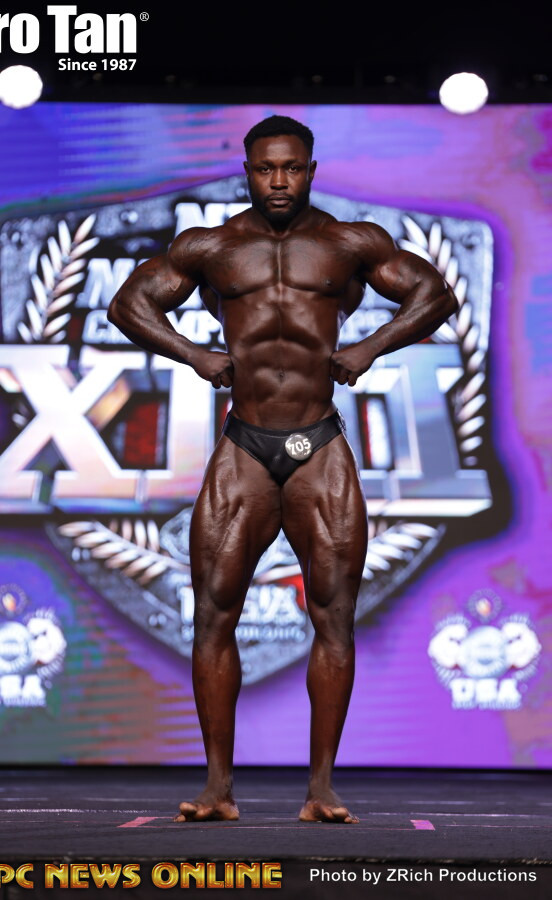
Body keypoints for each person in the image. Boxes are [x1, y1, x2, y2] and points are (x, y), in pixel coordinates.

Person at [108, 115, 458, 823]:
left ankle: (321, 789)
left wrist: (371, 346)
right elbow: (128, 303)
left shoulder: (348, 242)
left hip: (318, 446)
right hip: (244, 447)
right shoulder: (211, 247)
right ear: (247, 170)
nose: (278, 181)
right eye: (266, 168)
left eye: (292, 168)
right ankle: (217, 789)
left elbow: (435, 295)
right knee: (214, 614)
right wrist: (194, 355)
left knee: (334, 616)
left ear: (311, 170)